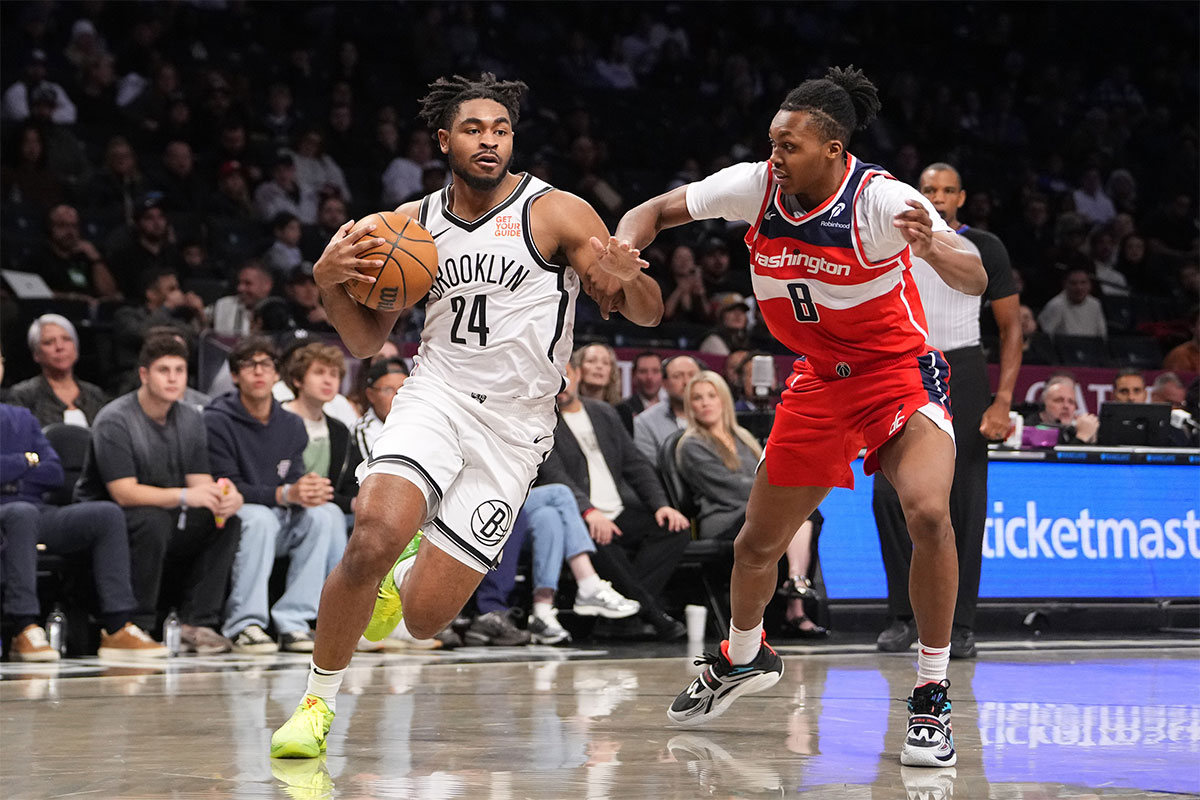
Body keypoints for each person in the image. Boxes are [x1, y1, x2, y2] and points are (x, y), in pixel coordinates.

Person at [270, 73, 664, 758]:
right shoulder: (410, 224)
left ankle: (404, 574)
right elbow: (365, 341)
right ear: (444, 138)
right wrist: (326, 280)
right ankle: (316, 702)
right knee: (371, 532)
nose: (489, 140)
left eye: (501, 130)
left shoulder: (558, 213)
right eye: (475, 129)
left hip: (515, 431)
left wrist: (628, 277)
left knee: (424, 620)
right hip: (437, 395)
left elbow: (649, 310)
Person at [614, 66, 984, 767]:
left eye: (790, 146)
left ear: (835, 149)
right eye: (773, 143)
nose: (774, 156)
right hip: (816, 383)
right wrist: (623, 248)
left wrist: (935, 244)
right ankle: (745, 656)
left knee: (928, 513)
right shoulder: (757, 187)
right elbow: (656, 211)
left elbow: (974, 272)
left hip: (896, 376)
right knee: (756, 546)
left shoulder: (881, 199)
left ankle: (931, 696)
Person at [874, 162, 1022, 660]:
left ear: (961, 198)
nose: (937, 198)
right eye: (929, 189)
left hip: (963, 367)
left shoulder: (986, 246)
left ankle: (960, 624)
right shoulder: (892, 234)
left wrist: (1002, 401)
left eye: (947, 190)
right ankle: (901, 616)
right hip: (902, 365)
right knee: (885, 494)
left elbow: (1012, 330)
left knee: (963, 501)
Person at [74, 334, 243, 654]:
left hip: (163, 511)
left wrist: (226, 496)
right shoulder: (115, 419)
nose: (173, 378)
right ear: (144, 375)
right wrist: (184, 496)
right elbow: (123, 493)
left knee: (224, 522)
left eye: (179, 370)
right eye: (163, 370)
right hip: (109, 517)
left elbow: (200, 483)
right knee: (152, 520)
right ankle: (138, 625)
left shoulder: (192, 417)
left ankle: (198, 622)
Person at [0, 351, 168, 661]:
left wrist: (11, 473)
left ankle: (118, 628)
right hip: (16, 513)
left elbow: (53, 472)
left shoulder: (20, 417)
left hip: (36, 512)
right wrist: (24, 462)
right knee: (20, 514)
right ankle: (23, 627)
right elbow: (37, 466)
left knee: (105, 514)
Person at [204, 336, 348, 654]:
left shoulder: (292, 424)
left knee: (325, 515)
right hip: (235, 514)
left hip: (279, 513)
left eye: (266, 364)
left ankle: (295, 622)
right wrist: (285, 493)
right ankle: (245, 623)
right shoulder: (217, 420)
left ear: (276, 375)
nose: (258, 372)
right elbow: (228, 485)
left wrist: (307, 490)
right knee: (260, 519)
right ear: (235, 376)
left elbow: (292, 477)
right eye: (249, 365)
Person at [539, 358, 691, 641]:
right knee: (603, 543)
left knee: (675, 530)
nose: (561, 383)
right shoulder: (541, 419)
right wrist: (588, 511)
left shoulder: (603, 412)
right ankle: (653, 614)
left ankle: (625, 615)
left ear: (577, 374)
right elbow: (554, 474)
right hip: (580, 515)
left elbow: (636, 464)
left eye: (566, 374)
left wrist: (661, 505)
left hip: (620, 509)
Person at [676, 371, 826, 638]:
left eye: (711, 396)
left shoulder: (742, 437)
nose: (705, 403)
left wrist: (775, 490)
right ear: (690, 406)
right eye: (697, 398)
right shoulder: (690, 445)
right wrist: (776, 491)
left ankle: (794, 587)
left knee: (807, 513)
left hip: (752, 511)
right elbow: (728, 488)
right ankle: (796, 597)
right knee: (797, 513)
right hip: (724, 518)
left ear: (723, 399)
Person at [523, 483, 641, 645]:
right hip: (490, 500)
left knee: (548, 517)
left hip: (518, 502)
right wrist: (590, 512)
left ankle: (541, 613)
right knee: (560, 493)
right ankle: (588, 585)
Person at [280, 342, 361, 514]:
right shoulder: (275, 420)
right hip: (282, 507)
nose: (328, 381)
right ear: (297, 380)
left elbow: (350, 483)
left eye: (334, 374)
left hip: (329, 509)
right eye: (319, 372)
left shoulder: (340, 431)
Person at [10, 314, 108, 428]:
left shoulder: (95, 394)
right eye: (49, 342)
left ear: (75, 347)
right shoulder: (23, 395)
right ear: (36, 354)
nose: (60, 347)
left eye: (66, 339)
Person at [632, 354, 701, 461]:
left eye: (692, 375)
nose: (686, 382)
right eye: (677, 376)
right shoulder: (644, 423)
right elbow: (647, 469)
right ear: (664, 383)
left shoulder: (715, 416)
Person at [350, 357, 409, 460]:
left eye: (403, 388)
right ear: (371, 395)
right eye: (388, 390)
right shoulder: (363, 430)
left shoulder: (420, 424)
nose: (397, 396)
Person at [1037, 268, 1107, 340]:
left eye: (1083, 282)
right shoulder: (1056, 305)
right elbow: (1044, 337)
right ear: (1064, 285)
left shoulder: (1095, 304)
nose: (1079, 288)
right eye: (1073, 283)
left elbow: (1102, 336)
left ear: (1090, 285)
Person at [1027, 375, 1099, 444]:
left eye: (1071, 402)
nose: (1066, 406)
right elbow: (1062, 456)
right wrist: (1082, 437)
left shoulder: (1072, 430)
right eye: (1059, 400)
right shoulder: (1029, 428)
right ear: (1044, 404)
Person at [615, 351, 665, 430]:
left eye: (655, 371)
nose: (649, 377)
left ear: (663, 375)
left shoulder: (673, 407)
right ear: (634, 376)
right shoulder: (624, 409)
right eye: (643, 371)